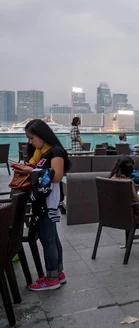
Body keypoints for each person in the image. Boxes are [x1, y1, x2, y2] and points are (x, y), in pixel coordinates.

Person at [12, 119, 70, 291]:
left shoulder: (55, 152)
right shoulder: (42, 153)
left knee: (47, 239)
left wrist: (32, 171)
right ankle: (58, 273)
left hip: (48, 200)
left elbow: (57, 176)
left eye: (32, 138)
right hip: (43, 199)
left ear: (41, 135)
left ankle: (52, 278)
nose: (30, 142)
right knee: (52, 237)